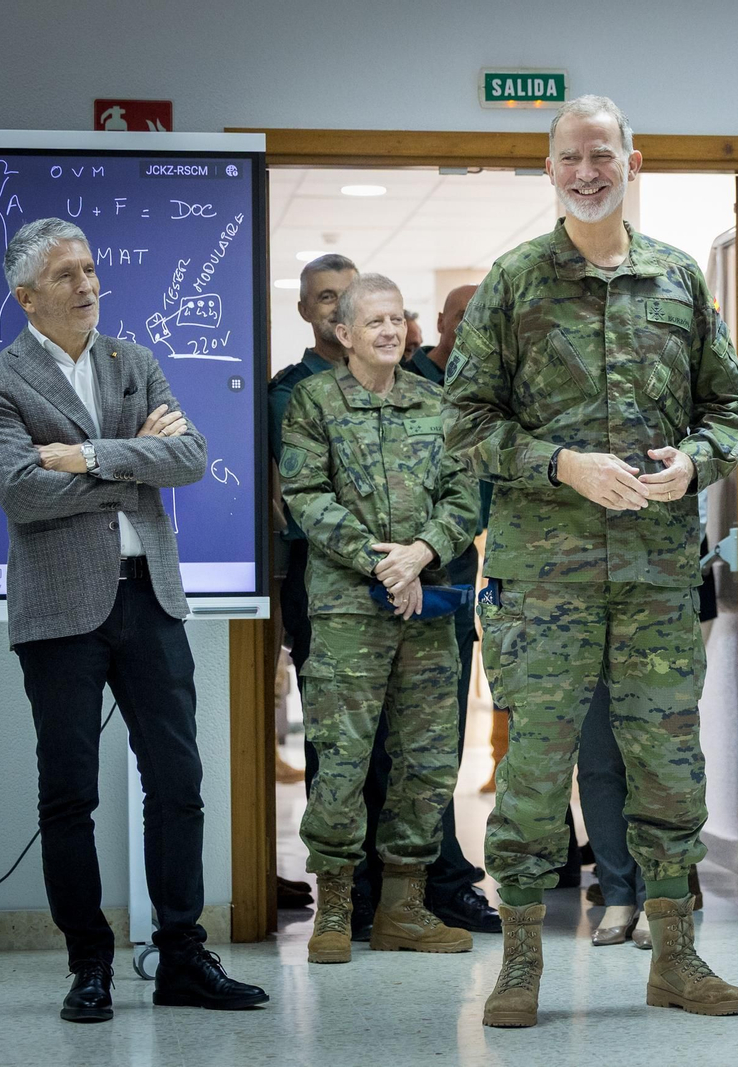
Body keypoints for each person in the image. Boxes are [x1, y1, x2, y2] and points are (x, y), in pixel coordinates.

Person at [446, 94, 738, 1027]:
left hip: (659, 577)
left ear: (633, 161)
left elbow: (730, 411)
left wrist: (697, 462)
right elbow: (462, 424)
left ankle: (676, 956)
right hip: (545, 582)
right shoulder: (513, 283)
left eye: (602, 154)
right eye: (570, 157)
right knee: (536, 769)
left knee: (669, 765)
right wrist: (561, 464)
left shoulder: (678, 281)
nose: (587, 170)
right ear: (550, 170)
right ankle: (524, 962)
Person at [0, 218, 268, 1020]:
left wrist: (89, 455)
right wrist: (131, 460)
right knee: (67, 795)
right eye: (67, 275)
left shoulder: (133, 361)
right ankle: (88, 963)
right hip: (59, 610)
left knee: (180, 782)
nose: (88, 285)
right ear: (27, 296)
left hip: (150, 597)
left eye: (92, 269)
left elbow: (192, 456)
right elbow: (23, 494)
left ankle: (181, 956)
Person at [279, 274, 480, 965]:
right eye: (375, 322)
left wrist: (421, 553)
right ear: (343, 334)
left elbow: (465, 492)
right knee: (341, 758)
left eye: (399, 319)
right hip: (345, 613)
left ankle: (404, 907)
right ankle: (335, 908)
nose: (391, 331)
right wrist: (381, 560)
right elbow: (303, 495)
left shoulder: (437, 401)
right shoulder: (313, 401)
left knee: (426, 760)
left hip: (425, 607)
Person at [353, 281, 500, 936]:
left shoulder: (495, 389)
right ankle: (383, 888)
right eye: (461, 314)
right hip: (382, 584)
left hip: (448, 588)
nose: (471, 326)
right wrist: (404, 556)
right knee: (380, 744)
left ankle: (441, 878)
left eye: (483, 316)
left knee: (440, 741)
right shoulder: (403, 383)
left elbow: (475, 497)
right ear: (435, 322)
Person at [268, 253, 358, 786]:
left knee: (398, 735)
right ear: (305, 310)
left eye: (348, 294)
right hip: (321, 574)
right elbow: (325, 489)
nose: (339, 307)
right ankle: (341, 870)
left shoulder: (399, 384)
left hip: (396, 575)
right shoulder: (291, 392)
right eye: (326, 297)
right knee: (333, 733)